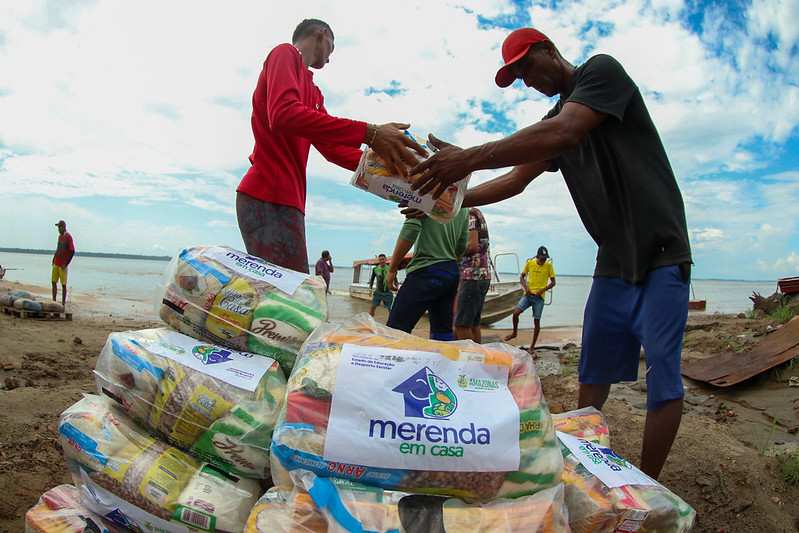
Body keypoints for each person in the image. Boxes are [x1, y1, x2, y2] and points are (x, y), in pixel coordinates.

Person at [407, 28, 692, 480]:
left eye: (526, 66)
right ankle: (583, 464)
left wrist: (468, 158)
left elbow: (564, 133)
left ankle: (648, 485)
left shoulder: (600, 73)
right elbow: (514, 180)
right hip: (613, 262)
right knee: (593, 370)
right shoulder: (553, 118)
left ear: (549, 50)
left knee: (662, 377)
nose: (526, 79)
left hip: (661, 251)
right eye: (516, 75)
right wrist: (444, 203)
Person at [236, 18, 426, 273]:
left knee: (288, 294)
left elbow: (333, 149)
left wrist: (397, 176)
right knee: (294, 296)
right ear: (321, 34)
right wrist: (371, 133)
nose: (329, 58)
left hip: (287, 200)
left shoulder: (314, 92)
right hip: (268, 193)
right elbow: (283, 114)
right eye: (332, 47)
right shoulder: (285, 53)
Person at [385, 209, 469, 341]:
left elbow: (411, 228)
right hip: (450, 272)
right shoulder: (463, 204)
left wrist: (392, 269)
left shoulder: (423, 190)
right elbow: (462, 244)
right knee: (442, 334)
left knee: (395, 331)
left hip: (426, 271)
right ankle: (443, 360)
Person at [504, 246, 556, 355]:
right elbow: (522, 277)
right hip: (528, 295)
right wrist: (525, 287)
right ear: (537, 257)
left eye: (545, 259)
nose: (543, 261)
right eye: (541, 259)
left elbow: (553, 282)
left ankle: (532, 346)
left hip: (539, 298)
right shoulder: (530, 264)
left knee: (536, 321)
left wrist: (543, 290)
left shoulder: (548, 266)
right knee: (516, 313)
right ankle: (514, 332)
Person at [453, 207, 491, 343]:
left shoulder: (469, 214)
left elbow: (472, 246)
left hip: (472, 276)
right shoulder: (477, 212)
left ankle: (470, 361)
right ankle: (478, 359)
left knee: (460, 326)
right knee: (473, 324)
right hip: (482, 276)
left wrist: (453, 255)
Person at [52, 220, 75, 307]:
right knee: (53, 282)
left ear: (63, 227)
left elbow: (72, 251)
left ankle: (63, 304)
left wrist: (66, 264)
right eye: (58, 228)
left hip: (62, 265)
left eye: (59, 228)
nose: (58, 229)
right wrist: (53, 259)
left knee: (63, 284)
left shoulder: (68, 237)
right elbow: (58, 248)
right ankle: (54, 301)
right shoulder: (59, 237)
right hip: (56, 263)